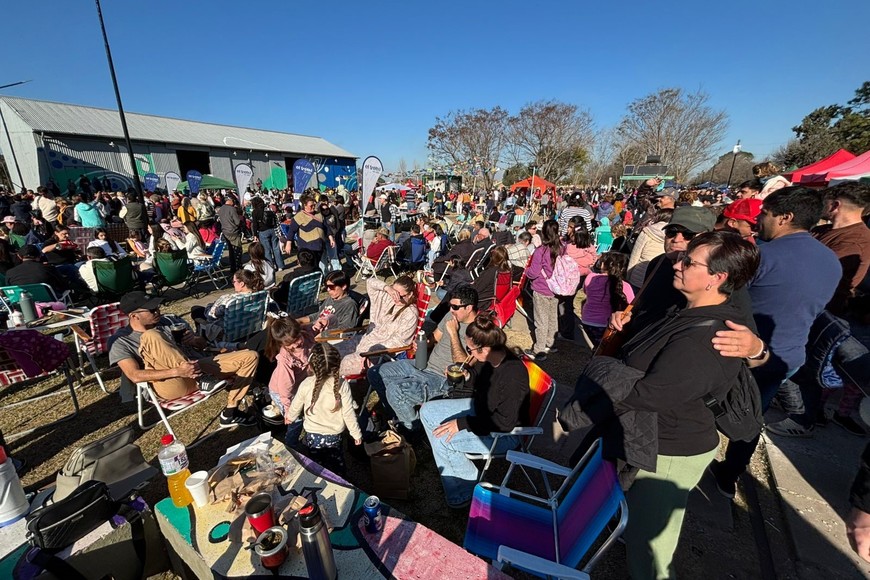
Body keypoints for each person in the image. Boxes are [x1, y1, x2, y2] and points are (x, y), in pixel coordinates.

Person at [562, 230, 761, 578]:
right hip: (648, 438)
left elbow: (652, 395)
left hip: (667, 450)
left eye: (690, 261)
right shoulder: (684, 308)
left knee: (650, 548)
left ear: (717, 277)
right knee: (636, 524)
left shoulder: (709, 337)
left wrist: (604, 374)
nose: (679, 263)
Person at [710, 187, 841, 494]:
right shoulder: (831, 261)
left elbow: (720, 299)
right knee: (752, 416)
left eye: (765, 213)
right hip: (789, 356)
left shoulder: (760, 256)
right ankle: (729, 476)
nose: (758, 218)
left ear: (785, 217)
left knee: (707, 406)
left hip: (740, 352)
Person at [420, 310, 529, 508]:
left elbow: (504, 422)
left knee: (442, 439)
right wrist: (466, 376)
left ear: (485, 349)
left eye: (471, 350)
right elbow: (478, 379)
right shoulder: (489, 360)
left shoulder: (513, 375)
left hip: (505, 433)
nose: (469, 354)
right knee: (427, 411)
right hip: (480, 410)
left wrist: (463, 423)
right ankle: (461, 475)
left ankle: (464, 493)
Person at [108, 292, 258, 428]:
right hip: (172, 381)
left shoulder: (169, 321)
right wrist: (177, 371)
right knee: (151, 335)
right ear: (134, 316)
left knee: (250, 356)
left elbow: (204, 345)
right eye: (152, 310)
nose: (157, 311)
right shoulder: (121, 341)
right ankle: (200, 378)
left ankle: (230, 413)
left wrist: (194, 340)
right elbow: (134, 375)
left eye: (157, 307)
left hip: (201, 370)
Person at [369, 285, 480, 436]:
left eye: (455, 306)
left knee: (396, 390)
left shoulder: (479, 330)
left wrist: (454, 333)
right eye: (450, 305)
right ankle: (399, 415)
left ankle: (413, 430)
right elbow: (435, 337)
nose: (451, 309)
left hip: (442, 378)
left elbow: (463, 365)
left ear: (469, 308)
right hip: (425, 364)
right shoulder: (451, 315)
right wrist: (423, 343)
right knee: (375, 372)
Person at [285, 343, 362, 475]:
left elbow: (296, 404)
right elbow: (348, 413)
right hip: (334, 436)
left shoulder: (306, 384)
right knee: (336, 464)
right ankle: (341, 482)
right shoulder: (342, 385)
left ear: (311, 364)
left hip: (312, 436)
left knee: (315, 465)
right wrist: (356, 434)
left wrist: (290, 417)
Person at [335, 275, 418, 376]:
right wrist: (387, 288)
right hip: (364, 340)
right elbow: (370, 282)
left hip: (376, 353)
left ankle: (327, 384)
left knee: (345, 362)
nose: (395, 298)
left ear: (410, 295)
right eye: (393, 292)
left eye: (400, 296)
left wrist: (370, 348)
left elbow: (399, 341)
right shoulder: (389, 298)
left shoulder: (410, 313)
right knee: (332, 352)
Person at [264, 314, 312, 428]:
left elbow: (321, 324)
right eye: (290, 344)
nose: (296, 345)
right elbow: (285, 388)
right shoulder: (285, 360)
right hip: (282, 392)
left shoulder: (307, 334)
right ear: (282, 344)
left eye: (297, 339)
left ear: (300, 331)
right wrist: (288, 409)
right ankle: (292, 441)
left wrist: (326, 320)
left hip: (298, 385)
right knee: (295, 419)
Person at [525, 219, 563, 361]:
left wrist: (527, 271)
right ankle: (551, 343)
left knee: (541, 320)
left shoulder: (541, 251)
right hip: (557, 288)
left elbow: (533, 272)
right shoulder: (562, 248)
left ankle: (539, 349)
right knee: (553, 317)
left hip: (541, 287)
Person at [193, 269, 266, 343]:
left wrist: (210, 306)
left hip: (227, 332)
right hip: (249, 329)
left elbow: (210, 316)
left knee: (196, 310)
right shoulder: (260, 296)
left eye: (234, 282)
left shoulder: (229, 300)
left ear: (242, 284)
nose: (233, 284)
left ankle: (202, 340)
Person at [582, 252, 634, 345]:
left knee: (597, 345)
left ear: (602, 264)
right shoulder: (625, 286)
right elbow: (631, 305)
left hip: (587, 320)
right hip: (608, 325)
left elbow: (586, 291)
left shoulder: (590, 277)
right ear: (622, 268)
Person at [627, 207, 672, 289]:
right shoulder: (673, 235)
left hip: (638, 276)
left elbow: (635, 256)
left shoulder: (648, 231)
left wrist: (628, 276)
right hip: (657, 279)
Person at [288, 195, 331, 269]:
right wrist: (288, 243)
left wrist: (331, 238)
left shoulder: (319, 214)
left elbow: (326, 227)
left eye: (314, 205)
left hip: (319, 246)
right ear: (305, 205)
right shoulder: (298, 217)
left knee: (317, 265)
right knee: (309, 267)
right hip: (306, 247)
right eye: (311, 206)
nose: (313, 207)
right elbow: (292, 231)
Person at [251, 196, 285, 270]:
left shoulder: (255, 212)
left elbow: (255, 224)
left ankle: (270, 266)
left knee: (267, 250)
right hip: (273, 230)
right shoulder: (269, 208)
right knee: (276, 248)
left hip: (263, 231)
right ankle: (280, 266)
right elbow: (275, 219)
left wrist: (255, 235)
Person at [216, 196, 244, 272]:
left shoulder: (221, 209)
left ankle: (233, 266)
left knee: (231, 250)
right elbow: (237, 222)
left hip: (225, 232)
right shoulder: (232, 209)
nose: (233, 201)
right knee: (237, 249)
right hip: (233, 232)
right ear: (229, 200)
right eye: (232, 200)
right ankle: (238, 266)